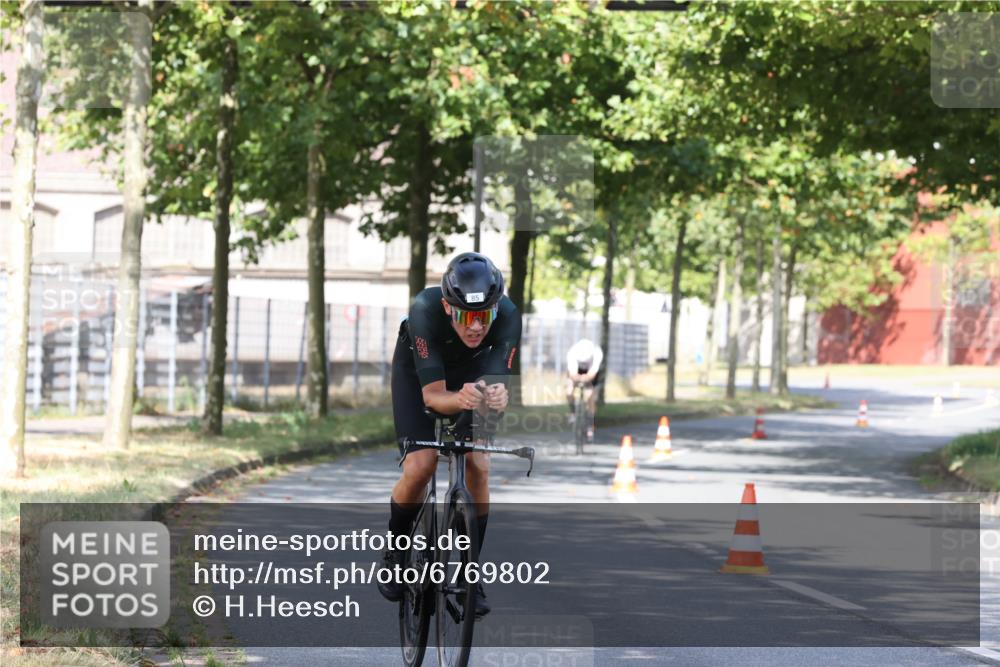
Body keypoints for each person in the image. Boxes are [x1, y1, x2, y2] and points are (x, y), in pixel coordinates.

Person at [378, 251, 520, 617]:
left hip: (471, 374)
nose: (476, 327)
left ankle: (469, 570)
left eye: (484, 316)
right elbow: (433, 397)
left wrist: (496, 395)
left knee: (479, 465)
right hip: (422, 376)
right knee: (420, 466)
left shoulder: (508, 316)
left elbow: (494, 382)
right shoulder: (425, 309)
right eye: (466, 317)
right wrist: (459, 398)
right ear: (447, 307)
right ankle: (395, 550)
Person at [565, 338, 603, 441]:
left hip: (591, 371)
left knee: (590, 396)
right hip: (576, 370)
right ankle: (573, 412)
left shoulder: (597, 353)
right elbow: (572, 373)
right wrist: (578, 379)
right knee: (569, 391)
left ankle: (590, 423)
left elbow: (593, 373)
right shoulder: (572, 353)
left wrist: (586, 379)